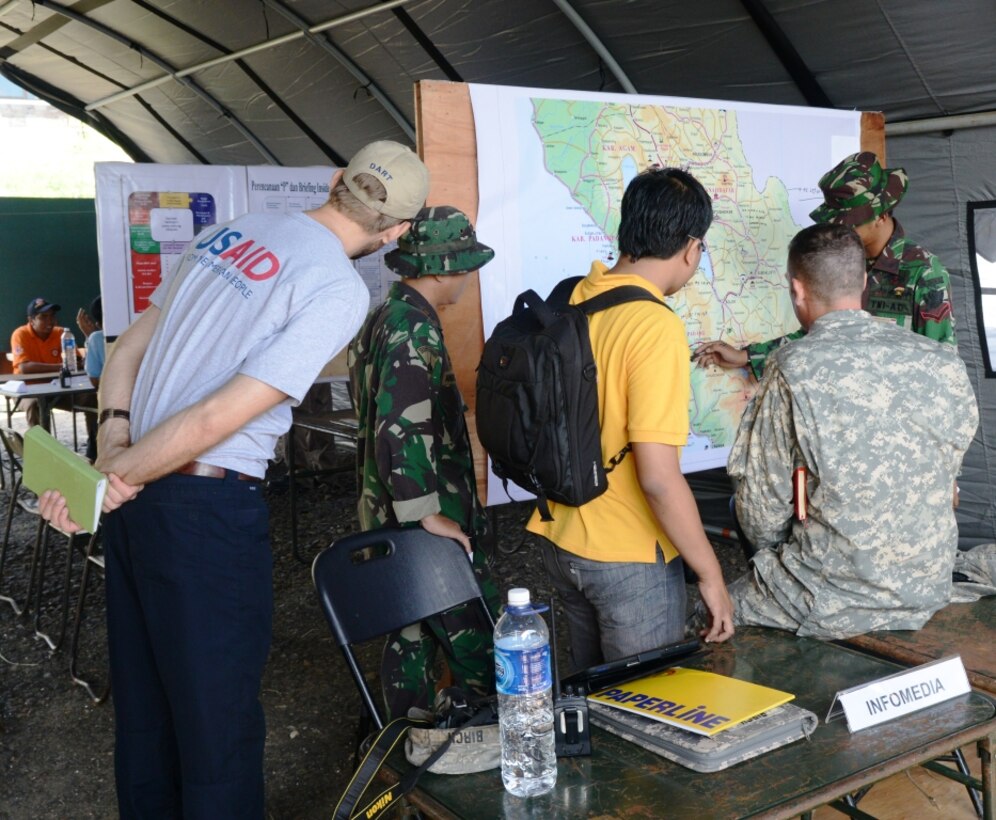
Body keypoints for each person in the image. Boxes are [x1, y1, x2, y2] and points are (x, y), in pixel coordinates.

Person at [38, 140, 430, 818]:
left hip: (142, 504)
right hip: (202, 510)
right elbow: (220, 414)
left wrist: (112, 442)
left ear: (336, 181)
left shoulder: (233, 230)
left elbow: (130, 344)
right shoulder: (337, 288)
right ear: (396, 230)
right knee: (216, 727)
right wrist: (107, 480)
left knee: (146, 712)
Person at [525, 167, 735, 673]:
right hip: (628, 556)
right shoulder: (653, 324)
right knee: (648, 705)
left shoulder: (574, 296)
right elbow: (658, 480)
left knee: (594, 700)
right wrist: (710, 574)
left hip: (562, 539)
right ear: (690, 247)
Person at [724, 223, 977, 639]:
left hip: (830, 598)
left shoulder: (792, 368)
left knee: (707, 614)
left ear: (797, 289)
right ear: (862, 282)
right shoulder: (941, 360)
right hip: (930, 584)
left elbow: (760, 511)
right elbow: (950, 473)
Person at [348, 205, 499, 718]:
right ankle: (486, 735)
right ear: (441, 267)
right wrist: (426, 512)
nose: (467, 276)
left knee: (411, 632)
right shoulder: (414, 328)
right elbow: (402, 424)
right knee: (476, 634)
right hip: (425, 521)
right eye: (464, 265)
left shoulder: (385, 316)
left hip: (387, 513)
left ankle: (405, 740)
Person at [693, 151, 956, 378]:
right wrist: (748, 356)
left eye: (849, 222)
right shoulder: (838, 259)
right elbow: (820, 334)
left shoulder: (922, 273)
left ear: (882, 214)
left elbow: (944, 365)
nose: (840, 229)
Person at [11, 296, 97, 440]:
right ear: (31, 320)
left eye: (52, 316)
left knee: (90, 397)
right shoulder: (20, 334)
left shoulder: (62, 333)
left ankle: (94, 444)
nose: (49, 321)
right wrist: (62, 367)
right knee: (35, 404)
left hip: (58, 389)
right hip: (28, 390)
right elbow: (25, 368)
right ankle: (43, 450)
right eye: (43, 317)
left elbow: (75, 362)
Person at [77, 296, 105, 461]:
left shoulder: (96, 338)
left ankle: (94, 451)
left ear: (98, 323)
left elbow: (94, 380)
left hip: (112, 403)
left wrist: (91, 336)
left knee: (94, 402)